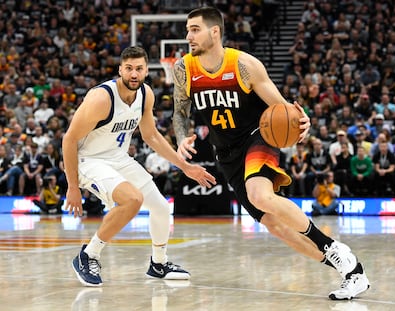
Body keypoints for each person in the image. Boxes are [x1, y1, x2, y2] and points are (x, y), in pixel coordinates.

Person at [172, 7, 369, 300]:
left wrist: (302, 120)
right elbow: (180, 112)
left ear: (215, 31)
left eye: (195, 29)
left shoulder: (244, 65)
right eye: (187, 30)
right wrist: (180, 139)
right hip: (226, 153)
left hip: (258, 137)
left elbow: (282, 109)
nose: (188, 36)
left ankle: (332, 248)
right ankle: (352, 271)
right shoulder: (184, 68)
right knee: (276, 227)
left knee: (260, 195)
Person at [62, 46, 216, 287]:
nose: (134, 74)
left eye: (139, 69)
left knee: (161, 208)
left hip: (117, 158)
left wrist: (185, 166)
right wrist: (73, 186)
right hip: (88, 160)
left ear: (146, 71)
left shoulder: (146, 94)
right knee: (132, 200)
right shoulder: (102, 98)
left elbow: (151, 136)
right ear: (120, 70)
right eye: (129, 69)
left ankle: (159, 263)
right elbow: (69, 139)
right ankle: (88, 255)